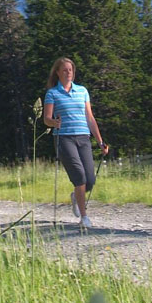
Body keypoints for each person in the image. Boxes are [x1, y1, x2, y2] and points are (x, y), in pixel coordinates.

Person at [42, 57, 109, 229]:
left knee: (90, 179)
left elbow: (90, 117)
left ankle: (76, 197)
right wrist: (53, 122)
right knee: (79, 176)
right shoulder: (52, 93)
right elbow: (46, 119)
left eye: (70, 69)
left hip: (83, 137)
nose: (68, 73)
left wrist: (100, 141)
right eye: (64, 70)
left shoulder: (82, 91)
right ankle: (84, 217)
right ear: (57, 72)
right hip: (64, 137)